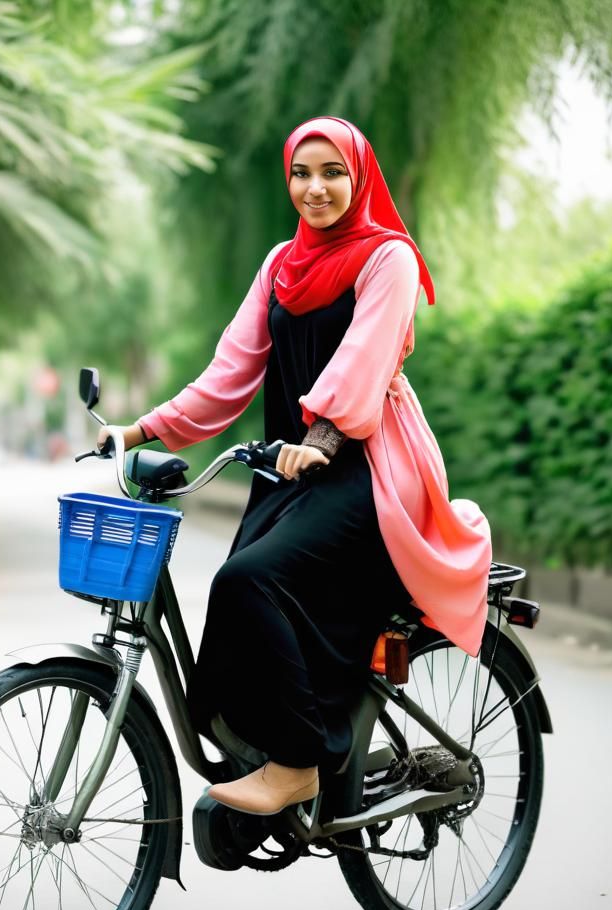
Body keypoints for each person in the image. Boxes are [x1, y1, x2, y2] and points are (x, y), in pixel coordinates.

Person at [98, 116, 492, 816]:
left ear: (359, 176)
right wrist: (139, 429)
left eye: (333, 172)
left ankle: (298, 763)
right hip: (293, 469)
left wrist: (325, 436)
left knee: (253, 579)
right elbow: (230, 373)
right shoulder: (282, 264)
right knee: (232, 590)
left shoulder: (388, 258)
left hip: (369, 472)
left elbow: (361, 364)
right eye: (302, 173)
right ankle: (260, 754)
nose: (316, 188)